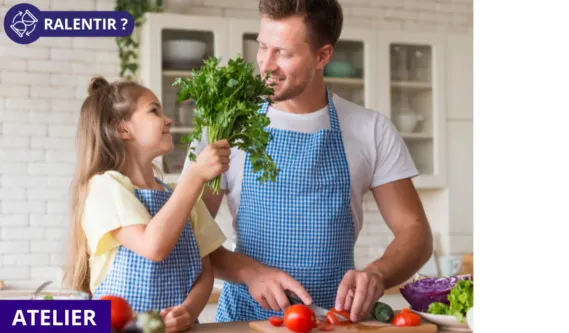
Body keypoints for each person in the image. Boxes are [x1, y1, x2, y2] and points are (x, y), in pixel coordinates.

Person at [181, 0, 434, 323]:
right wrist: (249, 271)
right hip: (244, 322)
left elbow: (416, 232)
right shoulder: (225, 125)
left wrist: (378, 274)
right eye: (262, 47)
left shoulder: (370, 129)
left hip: (336, 320)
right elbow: (187, 233)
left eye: (283, 53)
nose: (266, 65)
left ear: (323, 56)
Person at [64, 77, 231, 332]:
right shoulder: (104, 187)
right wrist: (195, 176)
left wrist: (188, 311)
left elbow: (204, 273)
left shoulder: (179, 194)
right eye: (154, 110)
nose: (169, 120)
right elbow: (153, 246)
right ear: (122, 130)